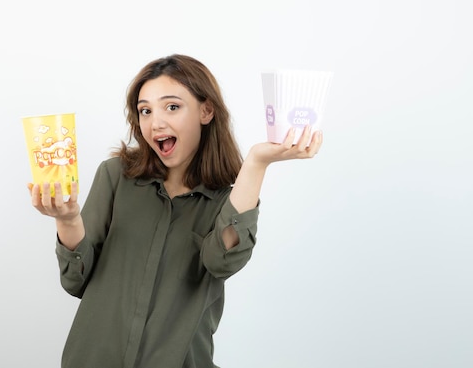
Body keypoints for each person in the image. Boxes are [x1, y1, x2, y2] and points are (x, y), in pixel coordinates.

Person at [29, 54, 322, 368]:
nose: (156, 123)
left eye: (172, 106)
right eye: (145, 110)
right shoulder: (115, 176)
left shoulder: (231, 197)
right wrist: (68, 218)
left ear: (206, 111)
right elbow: (76, 280)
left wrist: (256, 163)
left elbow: (222, 262)